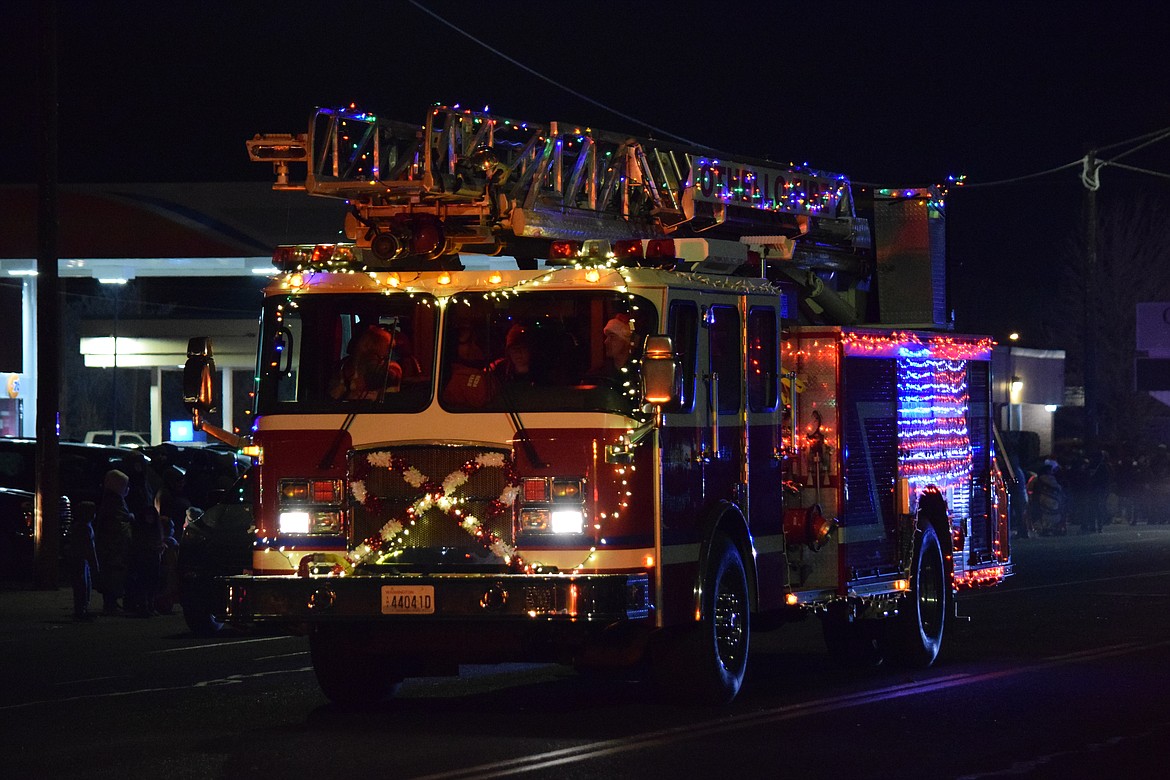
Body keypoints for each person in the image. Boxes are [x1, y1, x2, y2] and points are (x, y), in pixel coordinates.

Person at [93, 469, 133, 614]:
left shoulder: (112, 501)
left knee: (113, 574)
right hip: (114, 547)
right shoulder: (114, 502)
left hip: (112, 546)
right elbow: (119, 523)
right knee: (113, 575)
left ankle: (112, 602)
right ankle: (111, 603)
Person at [329, 325, 401, 400]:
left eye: (384, 355)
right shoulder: (342, 367)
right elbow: (332, 395)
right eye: (376, 355)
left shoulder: (390, 370)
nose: (382, 359)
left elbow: (391, 400)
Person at [67, 501, 99, 621]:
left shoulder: (79, 526)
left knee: (83, 585)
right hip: (80, 560)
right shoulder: (85, 527)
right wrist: (94, 563)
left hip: (78, 559)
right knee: (83, 585)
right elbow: (89, 548)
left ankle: (82, 609)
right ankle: (81, 610)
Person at [585, 314, 635, 386]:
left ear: (625, 341)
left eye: (612, 337)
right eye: (607, 336)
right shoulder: (597, 376)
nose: (606, 341)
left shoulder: (637, 374)